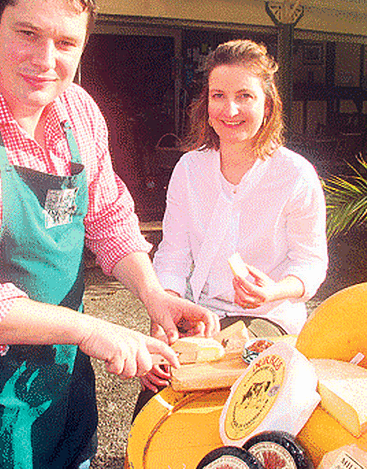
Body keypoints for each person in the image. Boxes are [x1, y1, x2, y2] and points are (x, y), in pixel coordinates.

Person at [0, 0, 218, 469]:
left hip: (66, 367)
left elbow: (109, 217)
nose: (47, 59)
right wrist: (90, 329)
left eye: (66, 42)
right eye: (28, 33)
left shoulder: (80, 111)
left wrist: (155, 296)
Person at [134, 39, 328, 411]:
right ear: (205, 105)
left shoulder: (296, 175)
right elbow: (172, 257)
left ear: (267, 105)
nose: (231, 109)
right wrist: (165, 320)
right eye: (219, 95)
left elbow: (311, 264)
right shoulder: (189, 170)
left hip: (269, 320)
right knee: (154, 399)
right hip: (203, 314)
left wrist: (272, 292)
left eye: (245, 96)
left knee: (228, 399)